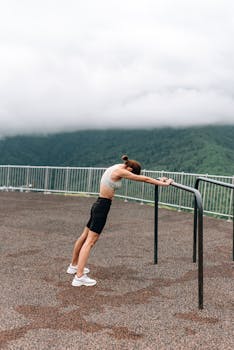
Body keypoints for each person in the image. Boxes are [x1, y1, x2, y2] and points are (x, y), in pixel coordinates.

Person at [67, 155, 174, 287]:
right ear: (128, 168)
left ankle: (74, 266)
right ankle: (79, 276)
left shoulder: (118, 167)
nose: (129, 175)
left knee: (84, 236)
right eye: (129, 173)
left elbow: (140, 175)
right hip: (102, 207)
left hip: (98, 204)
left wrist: (159, 180)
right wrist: (164, 183)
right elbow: (143, 179)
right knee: (90, 241)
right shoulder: (120, 171)